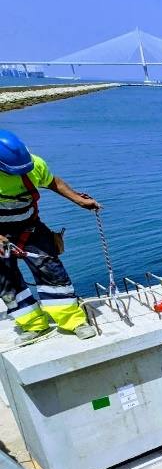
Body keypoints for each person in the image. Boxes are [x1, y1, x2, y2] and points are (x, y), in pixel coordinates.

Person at [0, 129, 99, 341]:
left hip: (30, 228)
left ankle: (73, 321)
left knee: (52, 273)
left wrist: (79, 200)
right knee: (7, 281)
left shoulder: (33, 165)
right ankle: (34, 324)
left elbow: (53, 182)